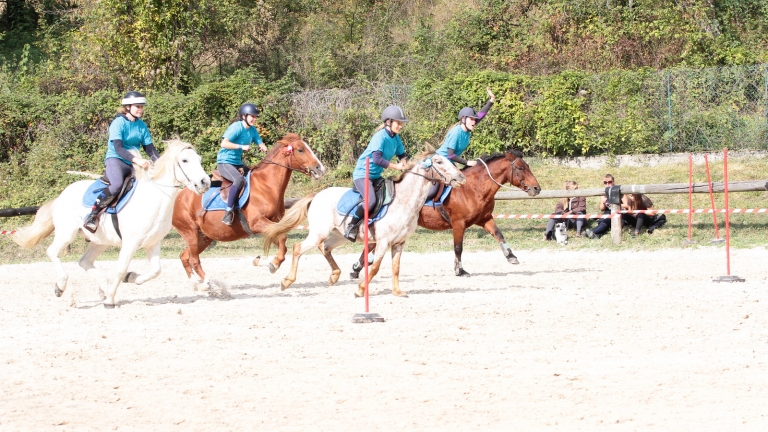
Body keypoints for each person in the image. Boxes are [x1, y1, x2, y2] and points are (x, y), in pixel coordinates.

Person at [84, 91, 159, 233]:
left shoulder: (141, 125)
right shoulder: (117, 123)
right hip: (116, 160)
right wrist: (137, 159)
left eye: (141, 107)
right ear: (128, 107)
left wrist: (162, 164)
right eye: (137, 106)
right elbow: (118, 148)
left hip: (133, 163)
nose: (140, 109)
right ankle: (93, 215)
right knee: (117, 184)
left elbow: (150, 149)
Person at [344, 105, 410, 242]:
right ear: (388, 122)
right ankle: (351, 226)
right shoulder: (379, 137)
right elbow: (377, 159)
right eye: (398, 123)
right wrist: (396, 167)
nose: (401, 126)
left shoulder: (396, 138)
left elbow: (402, 155)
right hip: (363, 174)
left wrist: (406, 164)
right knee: (371, 200)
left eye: (401, 123)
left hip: (376, 176)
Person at [426, 88, 495, 201]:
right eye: (472, 119)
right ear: (463, 119)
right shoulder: (456, 132)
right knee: (432, 192)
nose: (474, 121)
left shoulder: (467, 127)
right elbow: (450, 155)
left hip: (449, 163)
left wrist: (491, 100)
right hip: (439, 162)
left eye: (474, 119)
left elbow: (481, 115)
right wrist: (467, 162)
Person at [217, 103, 267, 226]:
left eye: (256, 117)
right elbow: (224, 144)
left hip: (237, 162)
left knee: (256, 176)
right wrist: (241, 146)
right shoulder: (236, 127)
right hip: (225, 162)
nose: (254, 119)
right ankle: (228, 212)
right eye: (252, 116)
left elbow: (258, 140)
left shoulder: (252, 129)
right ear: (244, 116)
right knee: (239, 180)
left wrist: (262, 145)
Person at [584, 174, 622, 239]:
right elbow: (602, 208)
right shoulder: (604, 193)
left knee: (606, 220)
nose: (607, 184)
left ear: (613, 181)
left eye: (609, 182)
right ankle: (596, 235)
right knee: (602, 221)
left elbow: (627, 205)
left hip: (618, 212)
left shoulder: (619, 190)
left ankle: (592, 232)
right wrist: (603, 203)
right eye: (605, 182)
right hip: (607, 212)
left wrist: (613, 205)